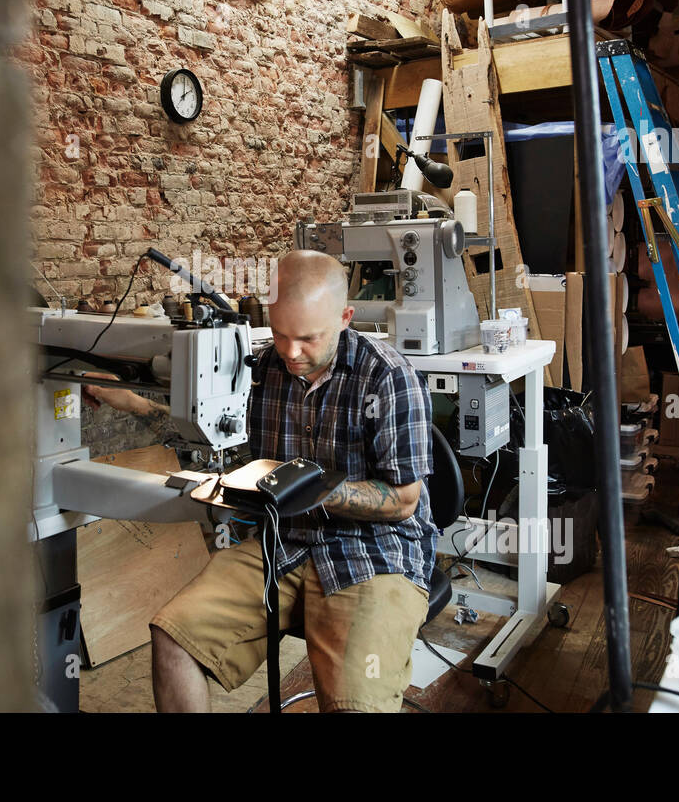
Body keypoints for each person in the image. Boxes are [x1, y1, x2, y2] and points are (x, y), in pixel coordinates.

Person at [86, 250, 437, 712]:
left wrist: (312, 487)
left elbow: (403, 500)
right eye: (280, 334)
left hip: (373, 550)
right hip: (282, 542)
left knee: (356, 701)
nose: (290, 353)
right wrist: (133, 403)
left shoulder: (388, 377)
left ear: (346, 317)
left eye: (308, 338)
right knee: (174, 638)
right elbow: (211, 434)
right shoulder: (262, 367)